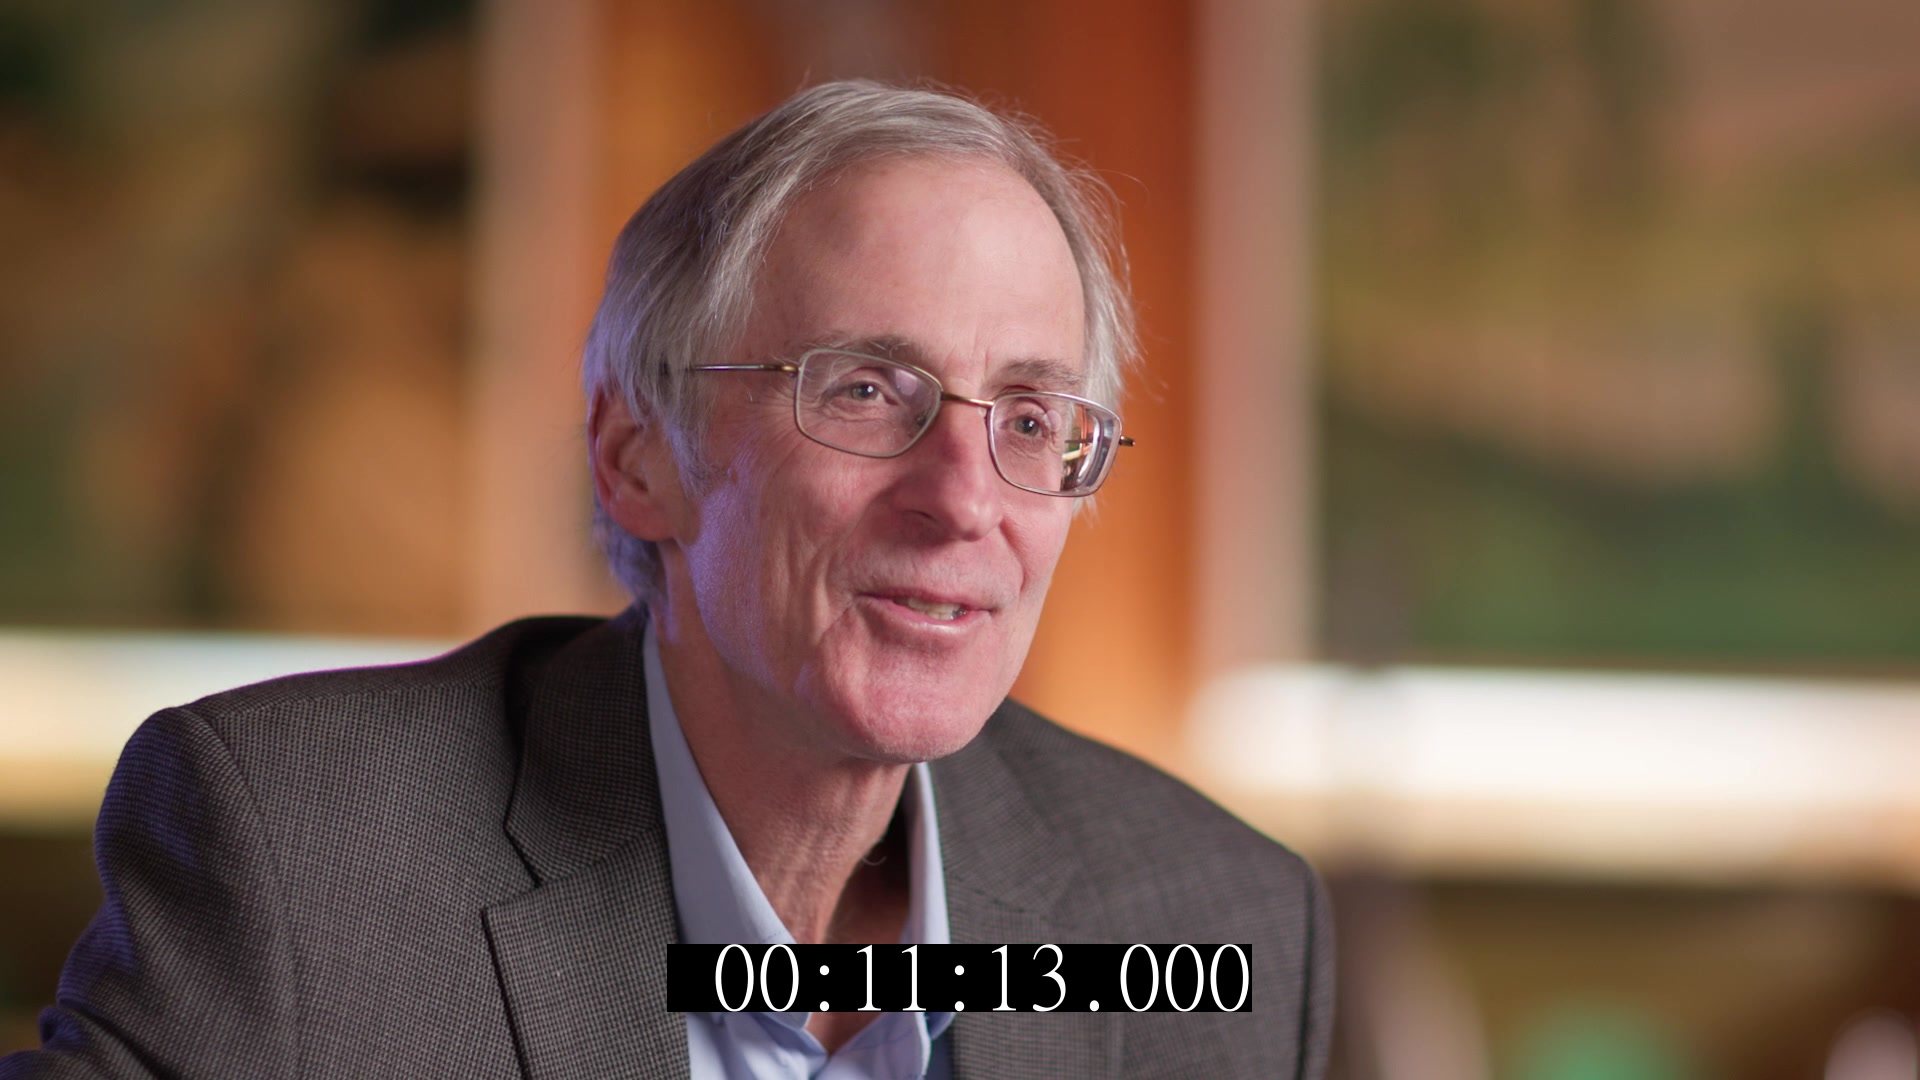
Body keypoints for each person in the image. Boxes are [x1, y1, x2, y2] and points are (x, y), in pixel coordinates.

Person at [3, 81, 1332, 1079]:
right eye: (866, 391)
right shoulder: (302, 861)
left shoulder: (1208, 928)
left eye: (1033, 420)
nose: (966, 497)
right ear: (638, 457)